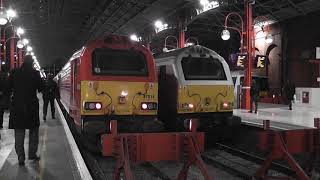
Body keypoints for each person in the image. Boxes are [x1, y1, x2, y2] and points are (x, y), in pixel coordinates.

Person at [7, 55, 44, 166]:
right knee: (33, 131)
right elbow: (41, 88)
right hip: (31, 106)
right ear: (32, 62)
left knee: (19, 132)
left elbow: (8, 88)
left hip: (17, 106)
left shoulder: (14, 72)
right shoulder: (35, 73)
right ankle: (32, 154)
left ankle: (21, 157)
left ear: (23, 61)